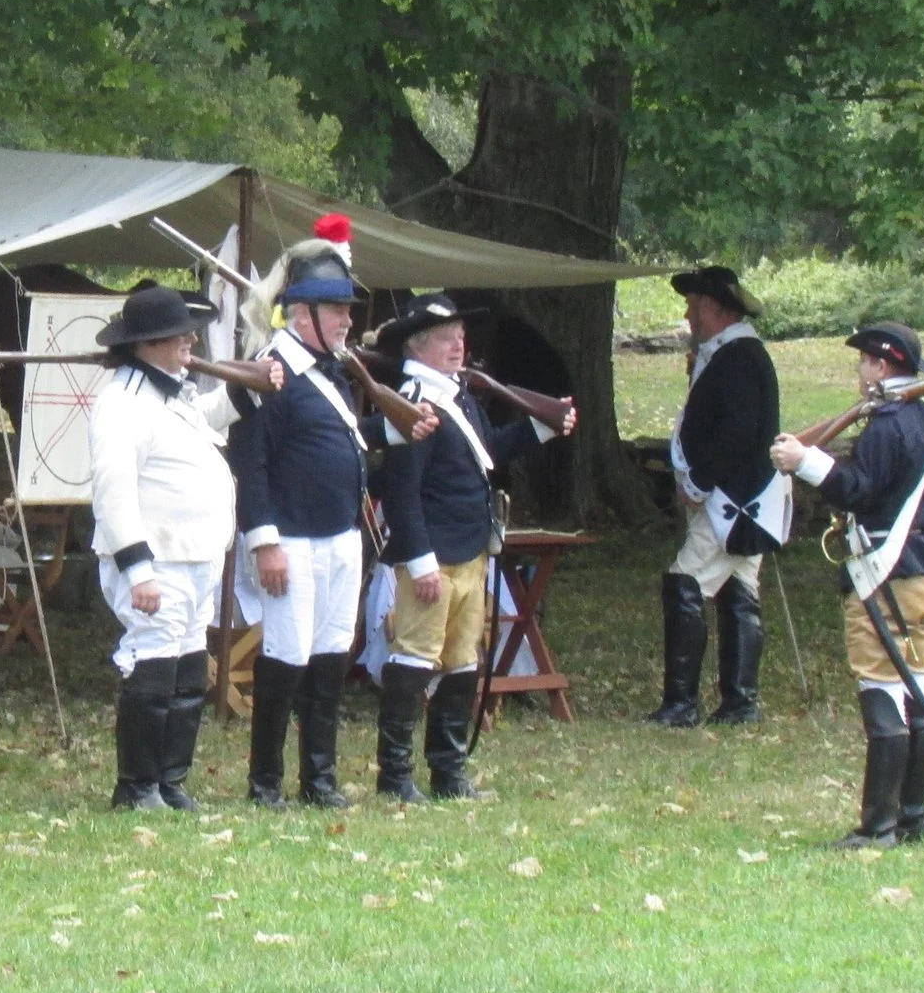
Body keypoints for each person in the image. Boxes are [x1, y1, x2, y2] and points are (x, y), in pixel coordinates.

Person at [232, 216, 418, 808]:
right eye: (336, 309)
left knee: (332, 656)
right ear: (302, 313)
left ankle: (319, 778)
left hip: (341, 535)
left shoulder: (331, 370)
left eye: (346, 309)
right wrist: (265, 542)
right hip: (290, 537)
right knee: (286, 659)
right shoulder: (271, 371)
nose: (347, 320)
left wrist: (399, 428)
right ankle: (266, 782)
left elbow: (344, 439)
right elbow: (252, 463)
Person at [371, 295, 576, 801]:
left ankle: (449, 773)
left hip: (469, 550)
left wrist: (542, 425)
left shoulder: (457, 396)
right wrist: (420, 562)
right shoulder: (415, 402)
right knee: (415, 660)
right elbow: (401, 492)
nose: (458, 346)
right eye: (446, 338)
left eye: (460, 337)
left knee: (462, 662)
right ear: (417, 347)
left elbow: (487, 451)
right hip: (433, 557)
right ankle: (396, 778)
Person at [88, 283, 278, 811]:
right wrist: (138, 570)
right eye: (180, 335)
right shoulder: (122, 403)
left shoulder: (171, 393)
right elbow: (114, 492)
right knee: (153, 666)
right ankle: (137, 786)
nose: (191, 341)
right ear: (149, 342)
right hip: (157, 560)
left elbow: (206, 418)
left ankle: (170, 782)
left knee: (189, 669)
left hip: (195, 556)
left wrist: (251, 388)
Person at [771, 323, 924, 847]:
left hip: (887, 575)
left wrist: (805, 462)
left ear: (881, 366)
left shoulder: (888, 426)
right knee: (916, 690)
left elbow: (859, 492)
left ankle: (879, 827)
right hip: (920, 574)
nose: (859, 370)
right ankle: (912, 817)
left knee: (883, 693)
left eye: (865, 362)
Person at [655, 264, 782, 728]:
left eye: (693, 307)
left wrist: (699, 482)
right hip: (740, 495)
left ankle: (682, 704)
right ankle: (738, 703)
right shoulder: (731, 354)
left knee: (685, 582)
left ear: (711, 307)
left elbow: (737, 434)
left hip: (734, 499)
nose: (688, 316)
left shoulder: (738, 358)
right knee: (739, 589)